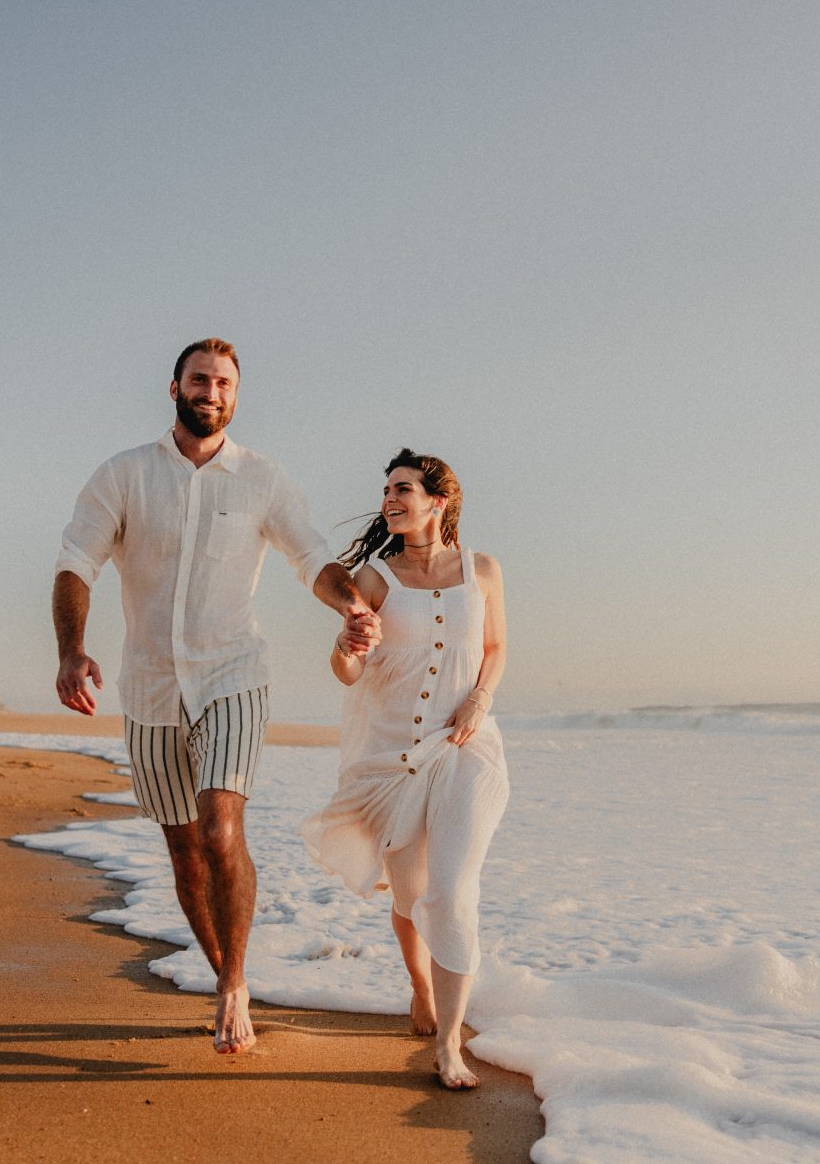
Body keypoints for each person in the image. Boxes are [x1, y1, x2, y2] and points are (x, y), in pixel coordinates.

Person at [52, 338, 380, 1055]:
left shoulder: (262, 479)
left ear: (236, 396)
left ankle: (234, 988)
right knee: (182, 850)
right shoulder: (124, 475)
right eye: (199, 379)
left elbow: (311, 557)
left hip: (234, 673)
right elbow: (77, 562)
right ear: (174, 388)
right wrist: (71, 651)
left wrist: (348, 605)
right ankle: (222, 969)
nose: (212, 391)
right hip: (149, 685)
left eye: (224, 383)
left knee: (219, 828)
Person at [300, 449, 509, 1090]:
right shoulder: (372, 581)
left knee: (453, 890)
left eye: (404, 489)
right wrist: (344, 643)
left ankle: (450, 1045)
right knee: (414, 895)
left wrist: (480, 697)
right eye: (387, 489)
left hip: (466, 748)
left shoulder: (483, 570)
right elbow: (349, 672)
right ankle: (422, 986)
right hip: (392, 757)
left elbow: (496, 646)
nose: (390, 498)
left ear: (438, 501)